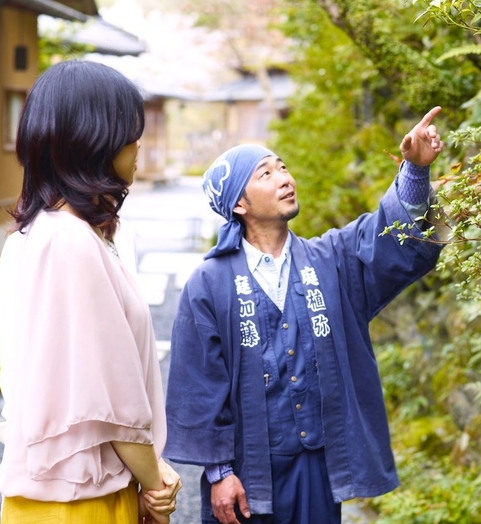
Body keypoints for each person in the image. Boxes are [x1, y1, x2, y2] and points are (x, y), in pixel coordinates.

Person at [164, 106, 449, 524]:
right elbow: (198, 384)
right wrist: (220, 472)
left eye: (283, 167)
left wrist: (415, 171)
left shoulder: (329, 259)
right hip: (248, 472)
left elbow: (383, 238)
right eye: (265, 174)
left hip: (318, 464)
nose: (285, 178)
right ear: (238, 203)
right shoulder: (210, 283)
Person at [0, 60, 181, 524]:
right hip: (76, 503)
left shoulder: (45, 236)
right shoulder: (70, 242)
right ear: (91, 139)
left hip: (70, 494)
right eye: (128, 131)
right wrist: (156, 483)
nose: (139, 144)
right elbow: (112, 399)